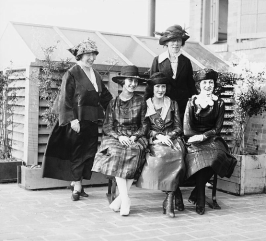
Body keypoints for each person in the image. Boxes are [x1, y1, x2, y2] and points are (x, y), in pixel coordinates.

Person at [42, 38, 113, 201]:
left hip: (92, 121)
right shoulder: (72, 73)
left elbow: (105, 97)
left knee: (88, 153)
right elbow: (65, 99)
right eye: (88, 55)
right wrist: (72, 121)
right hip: (77, 122)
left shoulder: (95, 74)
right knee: (77, 154)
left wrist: (119, 106)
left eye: (94, 55)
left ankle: (77, 183)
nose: (92, 58)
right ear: (80, 55)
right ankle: (77, 186)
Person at [150, 24, 197, 211]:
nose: (175, 44)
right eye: (172, 41)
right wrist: (150, 108)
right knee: (166, 148)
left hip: (182, 109)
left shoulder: (186, 61)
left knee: (181, 147)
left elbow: (191, 86)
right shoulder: (158, 60)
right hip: (164, 109)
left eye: (178, 41)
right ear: (166, 43)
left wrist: (195, 101)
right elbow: (153, 85)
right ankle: (173, 192)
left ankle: (176, 188)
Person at [92, 65, 148, 216]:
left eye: (135, 81)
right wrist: (119, 137)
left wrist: (134, 137)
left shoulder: (141, 101)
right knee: (116, 153)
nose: (132, 84)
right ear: (123, 82)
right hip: (116, 136)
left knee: (135, 151)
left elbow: (144, 125)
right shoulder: (113, 103)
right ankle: (126, 199)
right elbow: (107, 126)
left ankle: (120, 200)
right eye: (129, 80)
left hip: (135, 136)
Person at [183, 68, 237, 215]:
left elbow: (217, 128)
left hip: (212, 138)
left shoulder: (219, 103)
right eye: (205, 82)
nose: (208, 85)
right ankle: (200, 195)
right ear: (199, 85)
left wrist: (204, 136)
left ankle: (197, 192)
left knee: (216, 156)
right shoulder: (192, 102)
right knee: (199, 156)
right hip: (193, 138)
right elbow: (187, 129)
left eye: (211, 82)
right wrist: (197, 137)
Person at [136, 72, 186, 218]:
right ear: (152, 88)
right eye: (157, 86)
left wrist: (168, 136)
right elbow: (144, 128)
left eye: (163, 86)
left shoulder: (172, 103)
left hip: (171, 139)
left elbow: (178, 127)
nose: (160, 90)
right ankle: (173, 194)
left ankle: (169, 200)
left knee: (176, 154)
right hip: (154, 140)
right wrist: (158, 136)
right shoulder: (146, 105)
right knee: (161, 156)